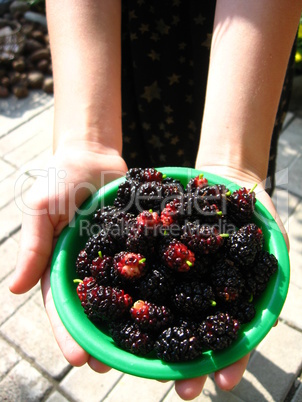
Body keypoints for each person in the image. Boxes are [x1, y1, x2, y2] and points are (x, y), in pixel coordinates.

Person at [9, 0, 301, 400]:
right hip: (127, 54)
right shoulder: (142, 237)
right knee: (138, 168)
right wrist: (87, 138)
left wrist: (237, 160)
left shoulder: (190, 240)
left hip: (242, 61)